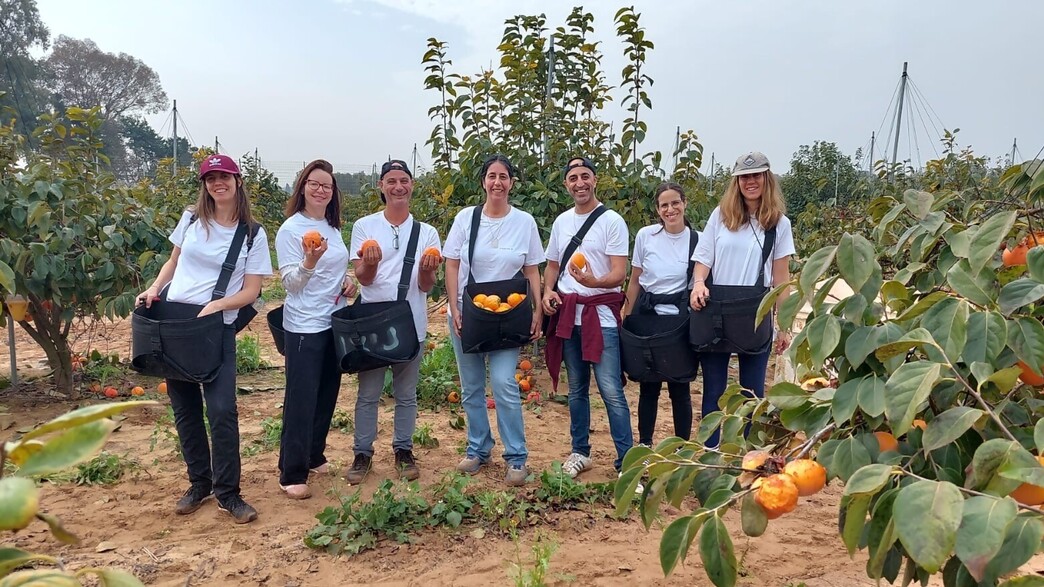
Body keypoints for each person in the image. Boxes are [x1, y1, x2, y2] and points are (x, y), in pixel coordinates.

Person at [136, 154, 273, 523]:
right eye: (210, 178)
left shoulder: (252, 233)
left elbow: (252, 291)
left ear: (237, 181)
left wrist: (218, 306)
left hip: (214, 328)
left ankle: (229, 492)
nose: (218, 184)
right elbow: (173, 262)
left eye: (224, 177)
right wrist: (154, 288)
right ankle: (200, 483)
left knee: (222, 411)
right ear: (205, 185)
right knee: (185, 410)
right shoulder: (192, 219)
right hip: (176, 323)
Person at [444, 155, 544, 486]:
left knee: (503, 383)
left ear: (511, 183)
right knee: (472, 387)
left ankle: (516, 457)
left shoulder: (524, 222)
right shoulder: (466, 219)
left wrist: (538, 309)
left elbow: (532, 269)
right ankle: (478, 448)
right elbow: (452, 263)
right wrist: (455, 308)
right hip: (468, 316)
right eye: (491, 176)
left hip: (509, 316)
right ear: (483, 182)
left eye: (503, 176)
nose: (497, 182)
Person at [689, 151, 795, 447]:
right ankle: (709, 456)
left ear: (766, 179)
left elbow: (780, 279)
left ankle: (748, 459)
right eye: (744, 176)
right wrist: (698, 283)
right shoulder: (721, 217)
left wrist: (783, 324)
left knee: (752, 395)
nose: (750, 181)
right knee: (713, 392)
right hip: (718, 312)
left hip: (754, 313)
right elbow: (703, 259)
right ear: (737, 182)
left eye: (756, 175)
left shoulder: (778, 224)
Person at [345, 159, 441, 484]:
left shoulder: (427, 232)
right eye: (391, 181)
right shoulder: (364, 226)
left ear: (412, 186)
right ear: (381, 187)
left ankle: (403, 449)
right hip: (374, 323)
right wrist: (370, 265)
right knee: (368, 393)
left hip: (412, 323)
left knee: (407, 394)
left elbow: (426, 286)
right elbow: (363, 279)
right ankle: (362, 453)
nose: (398, 186)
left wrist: (428, 269)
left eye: (403, 180)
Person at [543, 156, 634, 478]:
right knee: (577, 388)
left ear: (595, 180)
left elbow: (619, 273)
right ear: (566, 184)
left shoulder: (612, 221)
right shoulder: (562, 222)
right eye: (573, 178)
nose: (579, 183)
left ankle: (627, 462)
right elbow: (552, 264)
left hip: (601, 319)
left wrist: (594, 282)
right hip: (571, 317)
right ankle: (580, 452)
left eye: (585, 176)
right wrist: (547, 292)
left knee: (611, 390)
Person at [274, 159, 356, 500]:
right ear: (303, 188)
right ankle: (291, 470)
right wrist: (310, 261)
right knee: (301, 397)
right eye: (314, 183)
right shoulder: (290, 230)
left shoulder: (333, 228)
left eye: (327, 185)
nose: (321, 189)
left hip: (333, 321)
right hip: (304, 324)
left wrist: (348, 281)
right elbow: (290, 285)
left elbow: (337, 270)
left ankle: (314, 453)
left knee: (327, 392)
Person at [622, 182, 697, 447]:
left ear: (684, 203)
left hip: (679, 322)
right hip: (648, 318)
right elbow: (635, 280)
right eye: (664, 205)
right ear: (657, 209)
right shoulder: (646, 236)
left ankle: (681, 447)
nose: (670, 209)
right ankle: (645, 443)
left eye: (675, 202)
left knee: (680, 387)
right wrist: (627, 316)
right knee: (648, 386)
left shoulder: (696, 241)